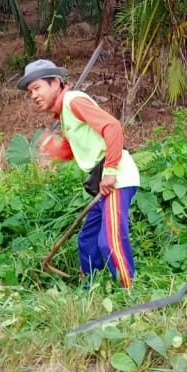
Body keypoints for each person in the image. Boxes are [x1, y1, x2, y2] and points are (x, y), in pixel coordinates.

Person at [20, 59, 140, 288]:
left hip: (117, 177)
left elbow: (112, 127)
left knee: (110, 240)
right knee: (88, 239)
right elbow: (72, 151)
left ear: (55, 82)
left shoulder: (74, 101)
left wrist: (111, 171)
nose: (33, 95)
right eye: (30, 92)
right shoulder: (64, 115)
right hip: (102, 181)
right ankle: (90, 288)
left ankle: (128, 293)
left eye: (37, 88)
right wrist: (52, 147)